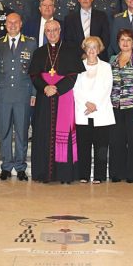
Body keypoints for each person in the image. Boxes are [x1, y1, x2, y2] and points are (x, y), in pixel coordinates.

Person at [29, 19, 83, 183]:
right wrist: (45, 87)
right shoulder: (39, 52)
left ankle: (64, 174)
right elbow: (34, 75)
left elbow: (73, 75)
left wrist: (57, 88)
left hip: (63, 98)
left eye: (54, 30)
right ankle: (42, 173)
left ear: (60, 31)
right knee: (42, 133)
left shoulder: (71, 50)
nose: (51, 33)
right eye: (48, 31)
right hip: (44, 100)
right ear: (45, 33)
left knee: (64, 135)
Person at [0, 13, 37, 181]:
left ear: (21, 24)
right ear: (5, 24)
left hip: (23, 94)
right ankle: (6, 166)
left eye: (15, 22)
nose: (12, 25)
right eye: (9, 22)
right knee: (4, 132)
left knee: (21, 132)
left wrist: (34, 93)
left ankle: (20, 167)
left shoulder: (31, 43)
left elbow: (34, 71)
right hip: (3, 94)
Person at [109, 29, 133, 183]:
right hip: (115, 105)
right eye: (122, 40)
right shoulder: (113, 60)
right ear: (118, 43)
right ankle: (117, 173)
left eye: (128, 40)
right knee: (116, 140)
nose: (125, 43)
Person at [73, 36, 114, 184]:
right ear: (84, 48)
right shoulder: (78, 65)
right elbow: (75, 88)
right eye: (88, 47)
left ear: (99, 49)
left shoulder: (106, 67)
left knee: (101, 147)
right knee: (83, 146)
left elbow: (107, 88)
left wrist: (95, 104)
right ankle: (83, 174)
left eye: (94, 47)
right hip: (82, 111)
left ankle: (99, 176)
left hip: (101, 112)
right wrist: (86, 103)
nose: (91, 50)